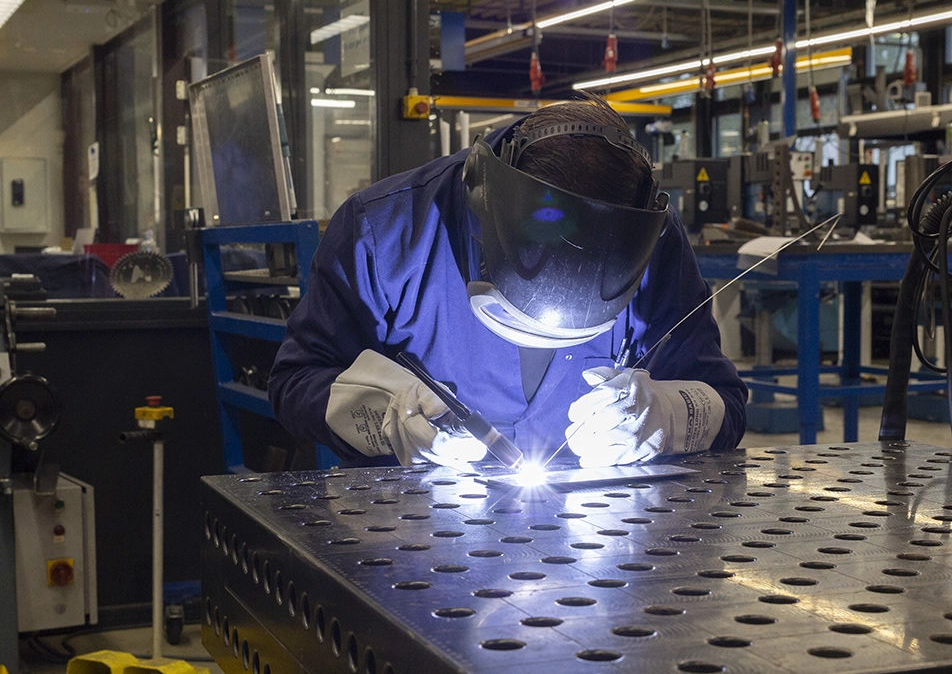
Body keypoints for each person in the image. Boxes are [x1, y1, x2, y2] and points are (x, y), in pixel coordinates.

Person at [269, 97, 747, 469]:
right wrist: (382, 413)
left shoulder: (651, 239)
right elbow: (294, 383)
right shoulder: (384, 231)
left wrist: (666, 416)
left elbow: (725, 402)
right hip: (417, 533)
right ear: (481, 198)